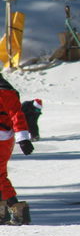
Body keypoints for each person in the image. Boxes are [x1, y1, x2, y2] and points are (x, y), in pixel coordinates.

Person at [0, 74, 34, 225]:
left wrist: (23, 138)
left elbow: (16, 115)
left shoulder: (5, 92)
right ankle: (4, 210)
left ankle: (16, 208)